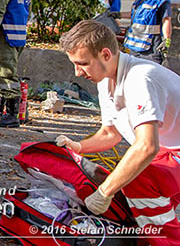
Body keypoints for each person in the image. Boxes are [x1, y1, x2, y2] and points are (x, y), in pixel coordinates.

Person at [56, 20, 180, 245]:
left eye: (82, 63)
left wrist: (105, 192)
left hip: (172, 151)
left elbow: (146, 147)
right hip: (170, 150)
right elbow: (110, 134)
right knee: (130, 180)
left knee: (138, 176)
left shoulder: (140, 79)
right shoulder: (106, 79)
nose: (77, 72)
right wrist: (79, 146)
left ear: (105, 54)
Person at [123, 0, 172, 64]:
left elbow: (166, 20)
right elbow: (133, 14)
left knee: (150, 71)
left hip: (150, 48)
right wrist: (117, 15)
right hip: (134, 44)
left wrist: (166, 41)